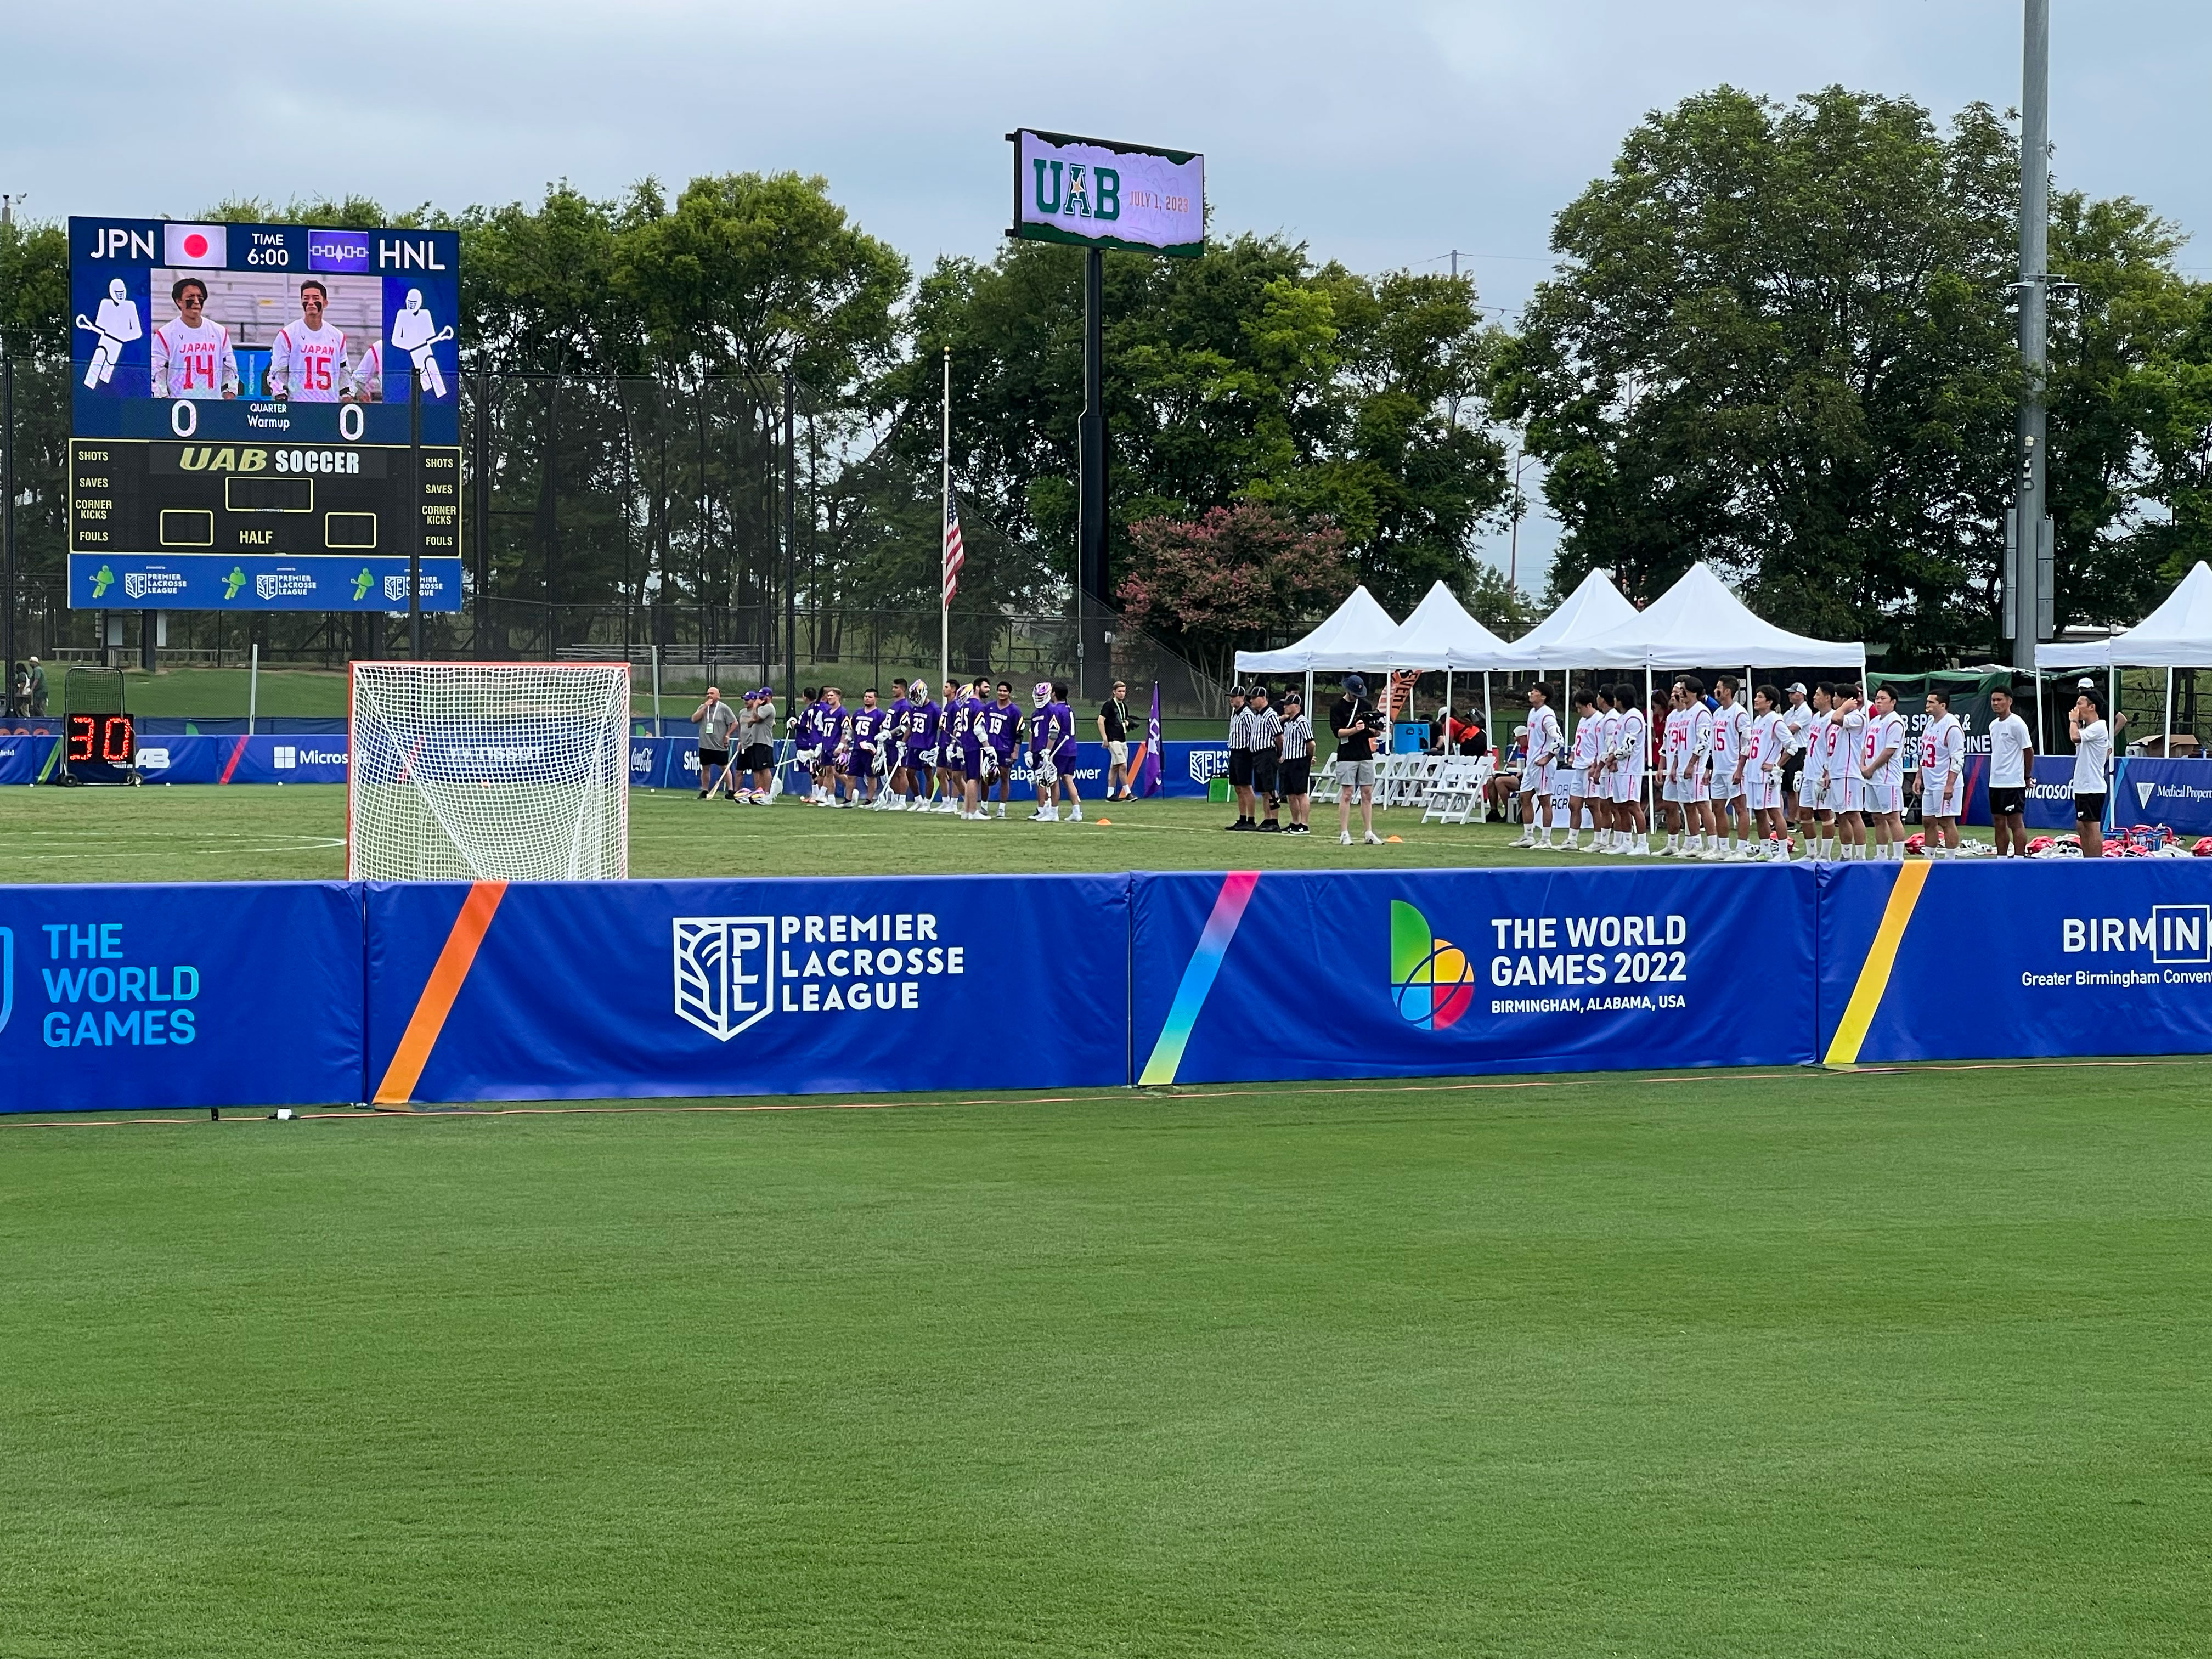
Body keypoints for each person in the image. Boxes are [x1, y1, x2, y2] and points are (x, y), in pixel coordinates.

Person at [149, 276, 239, 400]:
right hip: (179, 406)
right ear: (179, 301)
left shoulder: (220, 332)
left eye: (200, 298)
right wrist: (166, 405)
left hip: (215, 406)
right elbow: (156, 374)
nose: (196, 302)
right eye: (191, 298)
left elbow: (230, 371)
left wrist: (228, 398)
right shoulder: (164, 335)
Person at [265, 279, 349, 402]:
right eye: (306, 298)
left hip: (330, 406)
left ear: (325, 303)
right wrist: (281, 396)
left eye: (315, 298)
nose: (311, 302)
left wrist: (347, 395)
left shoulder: (337, 336)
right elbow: (277, 371)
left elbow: (344, 372)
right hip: (299, 405)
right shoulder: (288, 334)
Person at [2069, 685, 2124, 859]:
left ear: (2092, 706)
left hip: (2092, 786)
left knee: (2091, 827)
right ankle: (2088, 860)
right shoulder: (2091, 729)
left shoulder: (2099, 726)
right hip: (2083, 784)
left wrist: (2073, 721)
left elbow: (2074, 737)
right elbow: (2108, 750)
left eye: (2080, 704)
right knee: (2081, 825)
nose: (2076, 708)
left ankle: (2096, 863)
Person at [1739, 685, 1790, 859]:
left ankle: (1783, 852)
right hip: (1754, 774)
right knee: (1760, 814)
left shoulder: (1775, 720)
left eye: (1760, 697)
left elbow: (1792, 746)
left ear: (1769, 702)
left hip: (1767, 777)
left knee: (1774, 812)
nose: (1756, 699)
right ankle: (1765, 850)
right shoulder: (1758, 721)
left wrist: (1776, 766)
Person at [1858, 685, 1909, 860]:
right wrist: (1863, 766)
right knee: (1877, 817)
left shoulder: (1895, 722)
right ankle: (1881, 855)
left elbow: (1889, 751)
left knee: (1892, 817)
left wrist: (1871, 768)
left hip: (1887, 777)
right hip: (1872, 777)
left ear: (1893, 702)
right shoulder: (1874, 721)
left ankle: (1897, 856)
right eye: (1877, 698)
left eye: (1883, 699)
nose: (1878, 702)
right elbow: (1865, 747)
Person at [1332, 674, 1383, 845]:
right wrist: (1355, 729)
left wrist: (1375, 731)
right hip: (1347, 754)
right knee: (1347, 793)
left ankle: (1369, 831)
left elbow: (1371, 729)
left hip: (1365, 754)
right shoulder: (1338, 707)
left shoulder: (1365, 705)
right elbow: (1338, 733)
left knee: (1367, 793)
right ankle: (1344, 832)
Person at [1987, 685, 2037, 856]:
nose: (1996, 703)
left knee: (2015, 822)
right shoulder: (1993, 726)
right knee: (1998, 821)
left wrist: (2026, 776)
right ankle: (2001, 858)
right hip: (1996, 781)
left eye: (1999, 699)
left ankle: (2019, 858)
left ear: (2010, 701)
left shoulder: (2017, 724)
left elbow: (2028, 751)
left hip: (2013, 782)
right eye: (1993, 700)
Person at [1513, 682, 1562, 849]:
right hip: (1531, 763)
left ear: (1543, 697)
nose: (1531, 693)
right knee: (1525, 797)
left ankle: (1546, 839)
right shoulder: (1533, 713)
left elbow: (1558, 738)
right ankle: (1528, 836)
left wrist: (1548, 757)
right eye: (1532, 690)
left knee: (1544, 799)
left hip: (1542, 764)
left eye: (1536, 691)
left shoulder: (1547, 715)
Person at [1918, 689, 1966, 857]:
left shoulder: (1951, 726)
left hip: (1944, 782)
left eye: (1932, 702)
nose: (1927, 705)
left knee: (1946, 821)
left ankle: (1950, 859)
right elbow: (1925, 753)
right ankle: (1929, 857)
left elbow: (1958, 759)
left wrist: (1950, 785)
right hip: (1931, 781)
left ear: (1943, 705)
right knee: (1928, 821)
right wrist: (1919, 776)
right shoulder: (1930, 723)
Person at [1709, 676, 1751, 856]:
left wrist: (1740, 770)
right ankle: (1724, 848)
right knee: (1717, 807)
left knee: (1739, 806)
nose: (1715, 691)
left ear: (1727, 691)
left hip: (1733, 767)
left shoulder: (1739, 713)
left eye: (1719, 688)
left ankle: (1741, 849)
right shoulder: (1717, 713)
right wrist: (1709, 769)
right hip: (1719, 767)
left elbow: (1747, 743)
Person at [1607, 682, 1650, 855]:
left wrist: (1612, 758)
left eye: (1617, 698)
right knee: (1621, 806)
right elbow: (1617, 743)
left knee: (1633, 805)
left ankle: (1643, 844)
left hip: (1630, 769)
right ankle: (1627, 842)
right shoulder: (1622, 718)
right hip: (1620, 769)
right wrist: (1612, 759)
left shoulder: (1634, 717)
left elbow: (1628, 746)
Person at [1796, 685, 1836, 860]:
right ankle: (1811, 852)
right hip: (1809, 771)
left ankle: (1825, 854)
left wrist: (1827, 773)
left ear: (1827, 698)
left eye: (1818, 695)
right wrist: (1803, 769)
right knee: (1805, 811)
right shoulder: (1815, 718)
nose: (1814, 697)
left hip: (1822, 773)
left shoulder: (1832, 719)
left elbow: (1832, 748)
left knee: (1825, 812)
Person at [1564, 687, 1603, 851]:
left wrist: (1595, 763)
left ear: (1589, 705)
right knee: (1574, 804)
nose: (1578, 711)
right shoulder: (1583, 721)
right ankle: (1572, 839)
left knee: (1594, 805)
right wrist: (1573, 754)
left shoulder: (1599, 720)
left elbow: (1600, 744)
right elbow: (1580, 740)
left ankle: (1599, 839)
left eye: (1580, 707)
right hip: (1579, 767)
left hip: (1589, 767)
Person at [981, 680, 1024, 819]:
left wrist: (1015, 750)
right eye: (1000, 690)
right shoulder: (989, 707)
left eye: (1005, 691)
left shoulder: (1015, 711)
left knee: (1004, 776)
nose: (1002, 693)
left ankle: (1002, 808)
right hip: (989, 747)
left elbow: (1019, 733)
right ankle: (984, 806)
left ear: (1009, 693)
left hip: (1005, 747)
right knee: (985, 776)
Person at [690, 686, 739, 799]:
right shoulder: (703, 707)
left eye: (712, 693)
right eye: (708, 693)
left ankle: (731, 790)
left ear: (718, 696)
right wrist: (704, 707)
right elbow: (694, 719)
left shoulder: (724, 708)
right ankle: (704, 790)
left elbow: (734, 723)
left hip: (719, 744)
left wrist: (727, 735)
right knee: (705, 768)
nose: (709, 695)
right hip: (705, 744)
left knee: (724, 767)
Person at [1247, 685, 1284, 831]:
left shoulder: (1270, 715)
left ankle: (1274, 820)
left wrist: (1279, 754)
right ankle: (1267, 819)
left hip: (1267, 754)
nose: (1251, 701)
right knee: (1263, 790)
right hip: (1258, 756)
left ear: (1263, 698)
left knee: (1270, 789)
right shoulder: (1258, 715)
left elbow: (1279, 737)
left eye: (1254, 698)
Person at [1047, 680, 1084, 821]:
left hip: (1060, 749)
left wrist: (1047, 751)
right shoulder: (1070, 709)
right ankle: (1076, 811)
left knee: (1054, 779)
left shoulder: (1056, 710)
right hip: (1071, 747)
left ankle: (1054, 812)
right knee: (1068, 778)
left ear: (1054, 693)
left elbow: (1054, 732)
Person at [845, 688, 887, 807]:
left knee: (871, 776)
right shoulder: (858, 713)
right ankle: (848, 800)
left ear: (876, 699)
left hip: (870, 750)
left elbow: (883, 732)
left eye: (870, 697)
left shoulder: (880, 715)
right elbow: (850, 730)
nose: (867, 699)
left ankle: (869, 800)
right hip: (858, 748)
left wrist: (878, 749)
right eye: (866, 697)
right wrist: (846, 743)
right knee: (851, 775)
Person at [1279, 689, 1313, 834]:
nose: (1285, 707)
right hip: (1288, 761)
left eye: (1289, 704)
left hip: (1299, 761)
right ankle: (1295, 822)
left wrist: (1309, 758)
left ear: (1297, 707)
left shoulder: (1302, 722)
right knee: (1290, 794)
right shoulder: (1288, 723)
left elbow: (1311, 743)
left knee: (1301, 793)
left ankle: (1304, 824)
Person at [1224, 686, 1257, 830]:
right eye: (1231, 696)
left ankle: (1251, 819)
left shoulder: (1247, 714)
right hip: (1235, 751)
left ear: (1242, 697)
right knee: (1238, 787)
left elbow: (1253, 734)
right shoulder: (1236, 714)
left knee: (1246, 786)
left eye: (1234, 696)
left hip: (1244, 752)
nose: (1232, 699)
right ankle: (1242, 818)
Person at [1780, 682, 1813, 816]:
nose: (1790, 695)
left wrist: (1781, 732)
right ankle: (1792, 817)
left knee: (1795, 786)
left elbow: (1792, 729)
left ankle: (1796, 817)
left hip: (1800, 751)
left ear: (1801, 695)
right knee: (1789, 787)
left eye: (1793, 693)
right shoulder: (1790, 712)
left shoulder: (1805, 711)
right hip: (1790, 750)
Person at [1099, 680, 1133, 800]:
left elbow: (1123, 720)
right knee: (1123, 766)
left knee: (1115, 767)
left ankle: (1110, 794)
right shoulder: (1109, 705)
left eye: (1124, 691)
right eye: (1119, 691)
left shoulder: (1124, 706)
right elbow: (1100, 721)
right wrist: (1105, 738)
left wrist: (1128, 723)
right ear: (1114, 692)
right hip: (1113, 740)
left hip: (1123, 739)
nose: (1122, 694)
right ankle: (1128, 793)